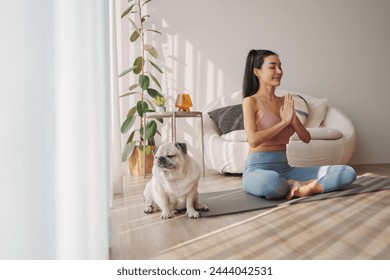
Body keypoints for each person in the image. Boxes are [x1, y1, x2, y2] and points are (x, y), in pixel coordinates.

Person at [241, 49, 357, 200]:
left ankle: (306, 189)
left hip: (285, 168)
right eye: (272, 67)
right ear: (257, 72)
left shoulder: (285, 102)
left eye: (280, 66)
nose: (279, 71)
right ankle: (294, 184)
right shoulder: (251, 101)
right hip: (257, 170)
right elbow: (253, 140)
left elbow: (306, 138)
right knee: (271, 184)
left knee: (348, 172)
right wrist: (284, 122)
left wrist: (293, 119)